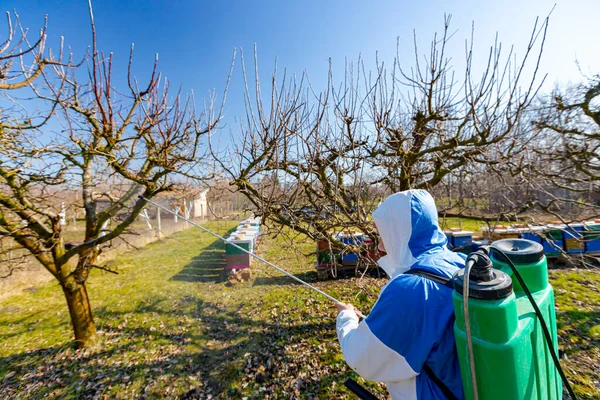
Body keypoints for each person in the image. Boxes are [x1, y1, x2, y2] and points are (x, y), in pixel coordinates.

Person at [336, 189, 465, 399]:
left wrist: (346, 317)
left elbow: (362, 358)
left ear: (399, 231)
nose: (379, 244)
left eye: (382, 234)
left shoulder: (411, 290)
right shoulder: (456, 261)